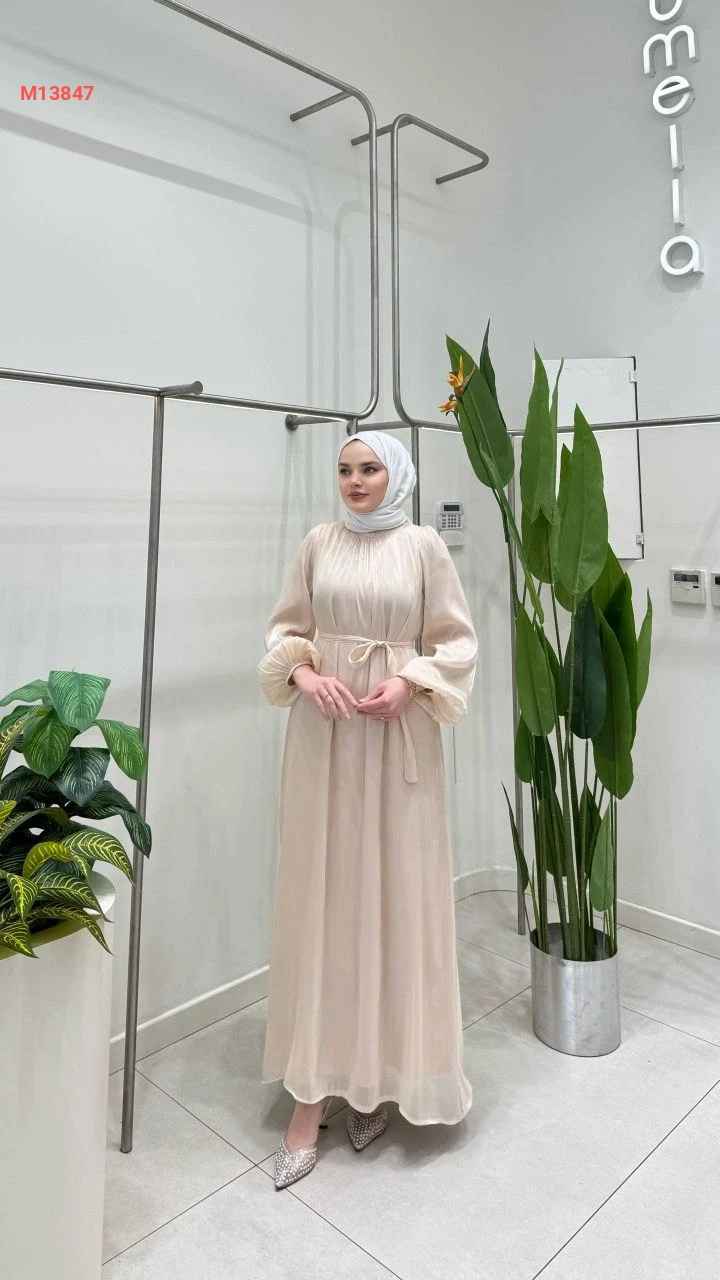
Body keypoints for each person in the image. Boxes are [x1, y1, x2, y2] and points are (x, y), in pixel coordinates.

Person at [257, 429, 479, 1190]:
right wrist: (304, 674)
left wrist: (411, 681)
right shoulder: (318, 543)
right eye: (345, 469)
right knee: (324, 898)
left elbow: (456, 642)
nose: (355, 481)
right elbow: (285, 630)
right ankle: (309, 1096)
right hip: (324, 736)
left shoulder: (423, 547)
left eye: (370, 468)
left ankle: (378, 1077)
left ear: (397, 476)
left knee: (392, 897)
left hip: (396, 734)